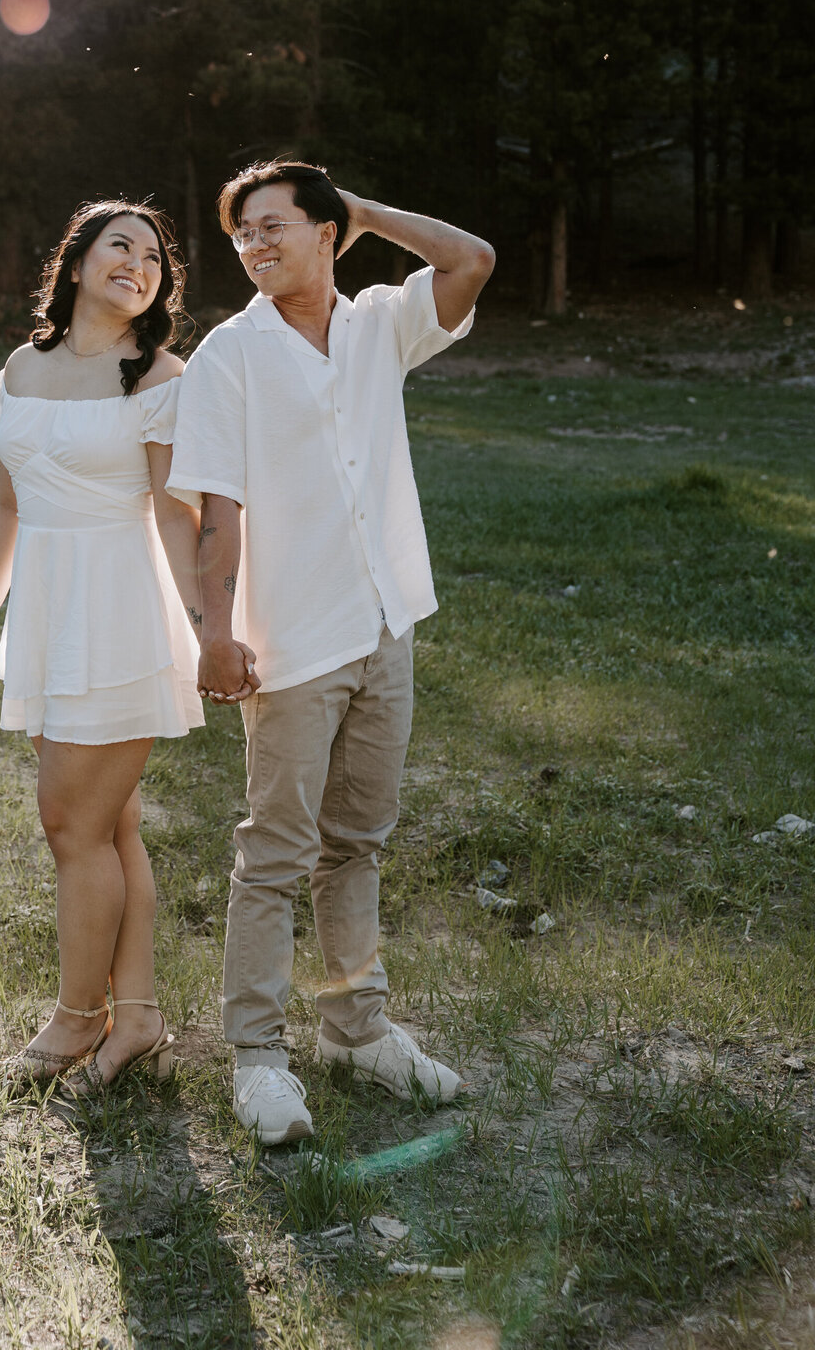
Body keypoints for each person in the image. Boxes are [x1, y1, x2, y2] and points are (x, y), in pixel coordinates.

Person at [167, 160, 495, 1145]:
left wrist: (369, 211)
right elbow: (214, 508)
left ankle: (359, 1032)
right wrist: (215, 632)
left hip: (385, 621)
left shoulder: (379, 325)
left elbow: (472, 259)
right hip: (294, 640)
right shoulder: (230, 357)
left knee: (357, 844)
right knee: (274, 853)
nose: (256, 245)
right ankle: (260, 1061)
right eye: (241, 236)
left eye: (275, 226)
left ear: (327, 233)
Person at [0, 199, 210, 1092]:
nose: (139, 264)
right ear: (75, 265)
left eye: (153, 258)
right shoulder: (21, 371)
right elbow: (9, 502)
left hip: (116, 614)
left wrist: (207, 626)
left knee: (71, 825)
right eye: (121, 246)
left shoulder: (156, 377)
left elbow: (178, 515)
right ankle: (136, 1015)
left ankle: (77, 1019)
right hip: (47, 613)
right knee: (110, 823)